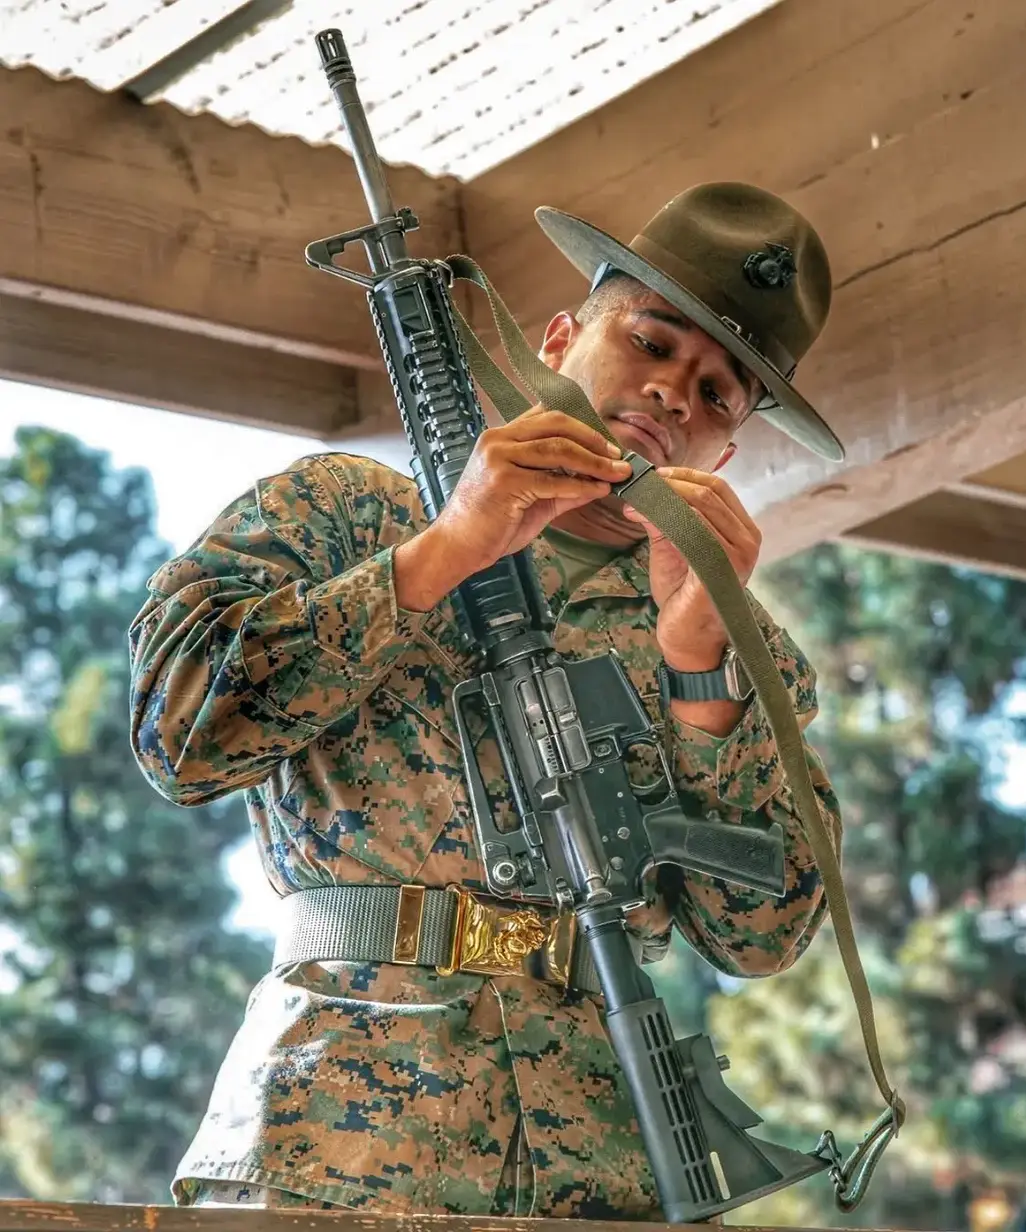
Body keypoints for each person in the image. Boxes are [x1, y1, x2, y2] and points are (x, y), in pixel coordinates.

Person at [129, 182, 846, 1219]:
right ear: (559, 338)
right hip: (334, 1138)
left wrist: (700, 672)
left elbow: (764, 935)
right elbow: (176, 731)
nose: (677, 394)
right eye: (651, 342)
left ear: (725, 449)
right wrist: (440, 553)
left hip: (604, 1163)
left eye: (719, 393)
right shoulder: (349, 508)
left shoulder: (739, 639)